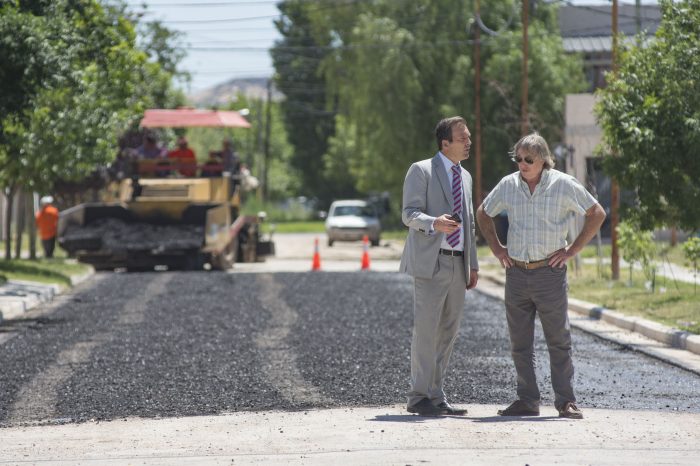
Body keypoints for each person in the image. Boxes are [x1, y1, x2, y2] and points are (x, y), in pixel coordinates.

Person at [476, 132, 606, 420]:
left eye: (528, 159)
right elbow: (483, 213)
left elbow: (596, 213)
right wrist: (497, 248)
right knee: (519, 342)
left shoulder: (563, 184)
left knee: (558, 340)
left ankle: (566, 401)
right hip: (517, 274)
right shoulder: (509, 185)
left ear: (544, 160)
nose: (522, 164)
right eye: (518, 158)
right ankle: (527, 400)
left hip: (550, 273)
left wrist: (572, 250)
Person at [400, 116, 479, 416]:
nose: (469, 142)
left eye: (469, 137)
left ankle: (436, 395)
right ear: (445, 143)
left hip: (459, 264)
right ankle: (418, 396)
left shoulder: (467, 177)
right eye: (463, 138)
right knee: (426, 330)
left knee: (448, 331)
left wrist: (473, 264)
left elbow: (469, 224)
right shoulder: (421, 171)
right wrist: (434, 223)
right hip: (431, 263)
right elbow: (408, 214)